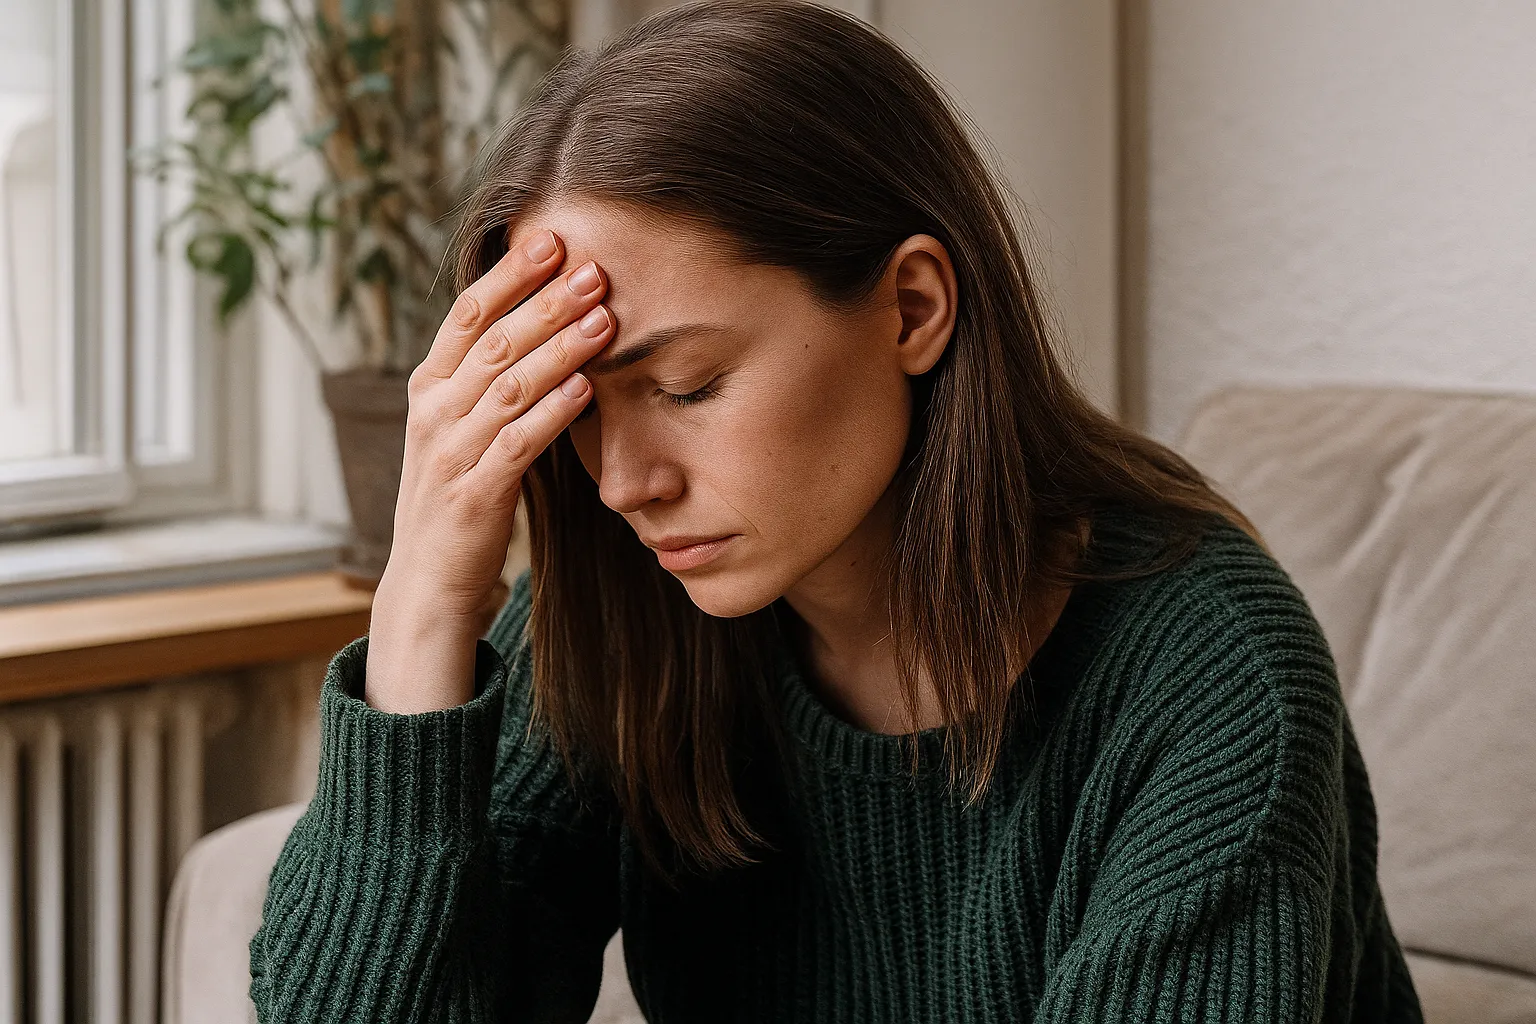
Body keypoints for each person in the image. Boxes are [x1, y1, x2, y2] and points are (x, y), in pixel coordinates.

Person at [248, 2, 1424, 1021]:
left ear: (912, 306)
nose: (624, 482)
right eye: (582, 412)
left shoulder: (1210, 677)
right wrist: (423, 603)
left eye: (689, 386)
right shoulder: (630, 612)